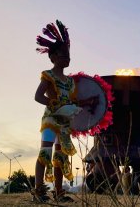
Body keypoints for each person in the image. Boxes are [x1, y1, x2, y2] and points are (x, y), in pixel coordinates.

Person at [33, 20, 97, 203]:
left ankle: (59, 192)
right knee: (45, 151)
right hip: (50, 121)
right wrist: (55, 106)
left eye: (68, 55)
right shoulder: (48, 75)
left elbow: (71, 101)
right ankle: (38, 190)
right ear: (52, 57)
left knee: (60, 155)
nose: (67, 58)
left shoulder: (70, 82)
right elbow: (38, 96)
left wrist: (87, 102)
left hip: (64, 123)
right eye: (63, 54)